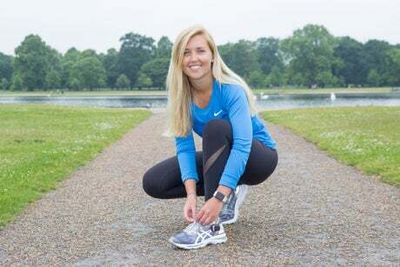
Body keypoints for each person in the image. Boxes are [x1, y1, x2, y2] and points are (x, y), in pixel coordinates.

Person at [142, 25, 278, 250]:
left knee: (215, 128)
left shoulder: (230, 90)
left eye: (200, 51)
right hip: (225, 154)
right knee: (154, 182)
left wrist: (216, 199)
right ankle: (228, 190)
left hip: (258, 158)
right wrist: (191, 195)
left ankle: (211, 226)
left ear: (212, 56)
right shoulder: (181, 98)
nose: (193, 58)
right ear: (179, 60)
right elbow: (184, 150)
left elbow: (243, 145)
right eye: (186, 52)